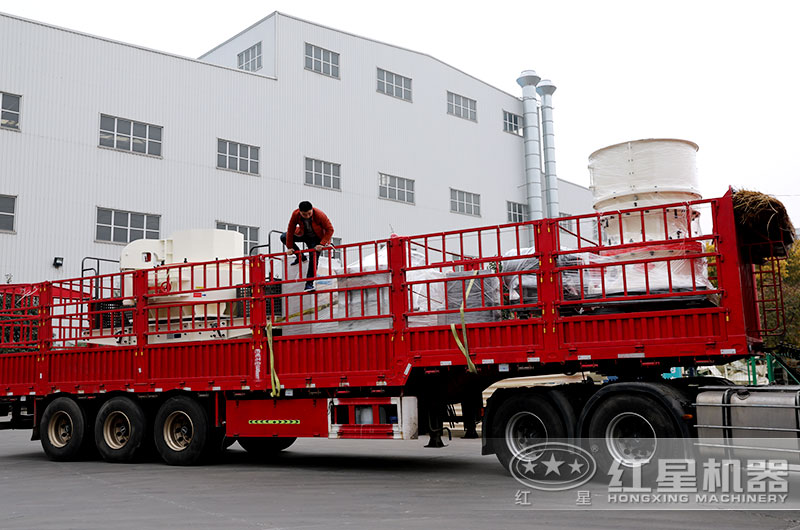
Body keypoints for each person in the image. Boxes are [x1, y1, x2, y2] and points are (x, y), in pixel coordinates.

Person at [281, 201, 334, 291]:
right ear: (300, 212)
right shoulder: (295, 214)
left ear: (312, 209)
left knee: (313, 259)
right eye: (304, 215)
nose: (307, 216)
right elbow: (290, 230)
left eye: (309, 213)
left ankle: (309, 284)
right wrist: (290, 247)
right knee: (283, 236)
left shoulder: (319, 214)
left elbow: (330, 229)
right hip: (303, 234)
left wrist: (322, 244)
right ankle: (300, 257)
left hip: (316, 239)